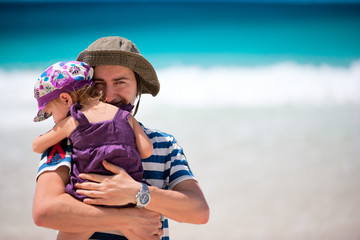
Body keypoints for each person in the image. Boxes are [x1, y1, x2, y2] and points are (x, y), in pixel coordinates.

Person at [33, 36, 210, 240]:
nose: (108, 95)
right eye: (98, 84)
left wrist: (136, 192)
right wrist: (126, 219)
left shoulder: (164, 144)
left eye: (120, 82)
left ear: (138, 86)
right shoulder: (67, 140)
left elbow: (199, 212)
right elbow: (44, 212)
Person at [32, 61, 153, 239]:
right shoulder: (125, 116)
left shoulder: (74, 121)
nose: (52, 118)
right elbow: (146, 150)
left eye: (49, 112)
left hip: (89, 199)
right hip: (127, 197)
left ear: (66, 99)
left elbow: (37, 145)